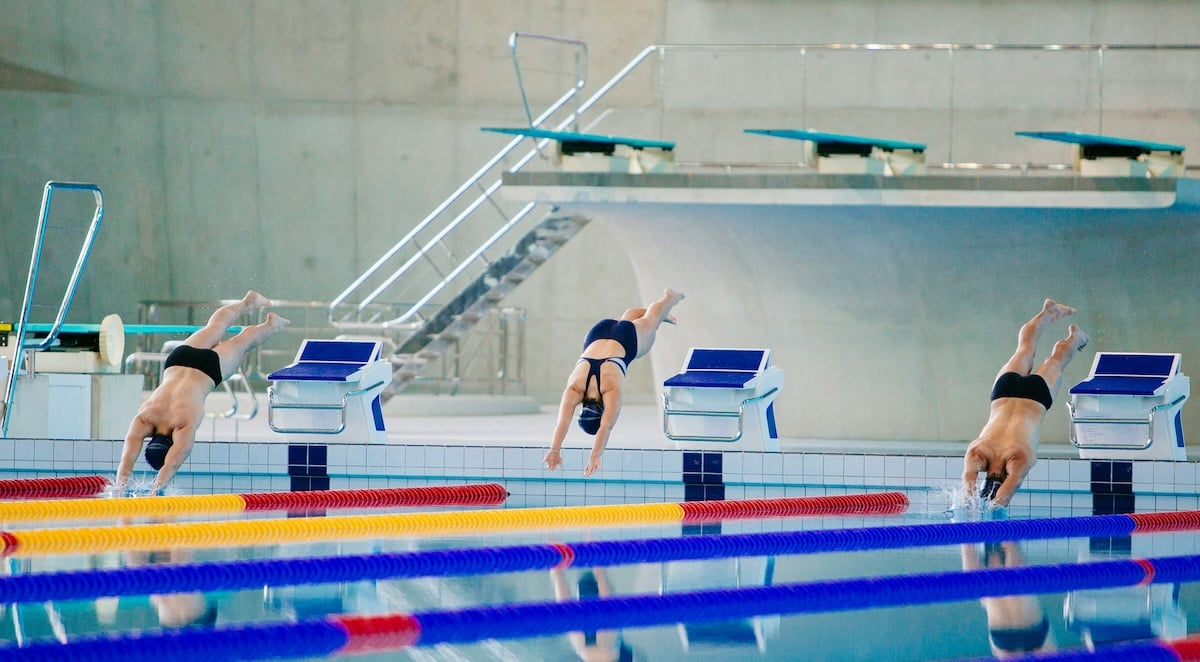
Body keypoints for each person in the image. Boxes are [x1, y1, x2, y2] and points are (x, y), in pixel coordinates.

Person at [116, 291, 289, 493]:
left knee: (243, 342)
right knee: (215, 327)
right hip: (178, 360)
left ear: (171, 445)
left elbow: (171, 465)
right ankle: (246, 302)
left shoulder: (183, 425)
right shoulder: (144, 418)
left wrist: (155, 491)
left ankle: (271, 324)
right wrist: (120, 486)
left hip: (208, 370)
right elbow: (126, 460)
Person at [544, 288, 685, 477]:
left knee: (652, 321)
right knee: (631, 318)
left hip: (627, 341)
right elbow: (562, 422)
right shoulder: (574, 389)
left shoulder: (610, 390)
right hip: (597, 334)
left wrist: (596, 455)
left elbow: (606, 427)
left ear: (601, 412)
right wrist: (554, 449)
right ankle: (653, 315)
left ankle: (670, 298)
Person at [962, 299, 1089, 507]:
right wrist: (970, 505)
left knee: (1057, 359)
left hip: (1035, 398)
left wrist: (991, 509)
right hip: (1003, 393)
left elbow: (1002, 500)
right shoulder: (977, 452)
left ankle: (1076, 337)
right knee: (1024, 349)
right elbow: (967, 493)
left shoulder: (1018, 459)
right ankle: (1047, 312)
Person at [961, 541, 1056, 656]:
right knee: (975, 581)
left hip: (1026, 631)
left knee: (1010, 574)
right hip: (1006, 636)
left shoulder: (987, 583)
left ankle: (968, 531)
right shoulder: (984, 585)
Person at [549, 566, 635, 662]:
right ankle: (556, 564)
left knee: (606, 602)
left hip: (603, 650)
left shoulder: (610, 637)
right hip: (590, 651)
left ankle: (556, 564)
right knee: (567, 609)